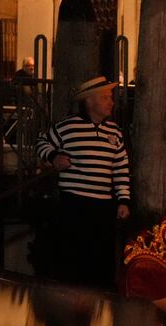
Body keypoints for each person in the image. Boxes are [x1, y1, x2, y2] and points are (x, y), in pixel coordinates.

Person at [35, 76, 130, 288]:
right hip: (74, 205)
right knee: (72, 259)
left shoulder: (114, 132)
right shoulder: (68, 127)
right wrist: (54, 158)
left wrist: (123, 200)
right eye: (105, 97)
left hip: (103, 207)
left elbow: (121, 167)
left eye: (110, 98)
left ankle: (99, 303)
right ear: (89, 101)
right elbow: (42, 143)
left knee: (101, 260)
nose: (111, 102)